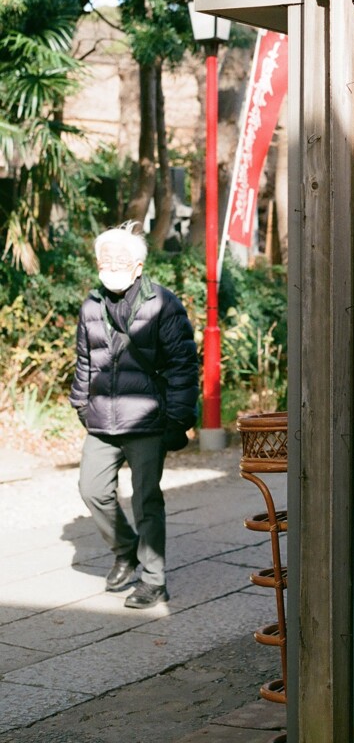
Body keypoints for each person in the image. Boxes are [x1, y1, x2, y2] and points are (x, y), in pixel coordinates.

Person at [69, 221, 199, 609]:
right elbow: (84, 361)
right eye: (105, 259)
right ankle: (125, 550)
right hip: (100, 418)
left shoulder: (163, 303)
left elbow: (183, 365)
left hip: (146, 418)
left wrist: (177, 419)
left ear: (139, 267)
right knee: (92, 489)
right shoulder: (91, 305)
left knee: (146, 501)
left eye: (120, 261)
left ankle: (154, 580)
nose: (111, 266)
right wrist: (81, 404)